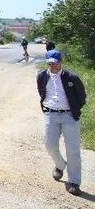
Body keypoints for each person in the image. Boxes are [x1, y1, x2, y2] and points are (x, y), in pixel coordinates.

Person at [37, 45, 87, 196]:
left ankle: (74, 182)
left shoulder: (71, 77)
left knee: (72, 150)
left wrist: (74, 109)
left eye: (55, 63)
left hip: (69, 116)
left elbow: (81, 96)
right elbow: (42, 92)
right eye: (50, 63)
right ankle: (60, 165)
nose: (53, 66)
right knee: (49, 144)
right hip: (50, 115)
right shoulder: (42, 76)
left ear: (60, 62)